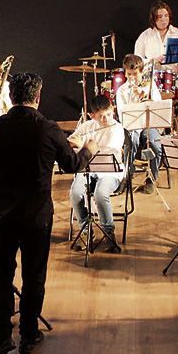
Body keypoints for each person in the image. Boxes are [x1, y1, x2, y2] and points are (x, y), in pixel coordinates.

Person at [0, 71, 96, 354]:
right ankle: (28, 335)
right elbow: (71, 164)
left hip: (2, 215)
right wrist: (88, 150)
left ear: (11, 97)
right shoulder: (48, 128)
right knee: (34, 276)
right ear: (38, 97)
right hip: (36, 217)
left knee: (0, 276)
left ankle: (1, 337)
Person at [67, 95, 127, 253]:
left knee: (100, 194)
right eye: (101, 116)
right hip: (87, 169)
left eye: (108, 114)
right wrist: (75, 143)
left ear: (112, 109)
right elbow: (71, 141)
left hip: (110, 170)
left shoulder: (117, 128)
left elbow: (109, 151)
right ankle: (86, 231)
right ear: (92, 115)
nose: (106, 118)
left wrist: (86, 148)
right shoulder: (87, 126)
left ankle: (109, 233)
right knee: (75, 193)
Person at [134, 0, 178, 125]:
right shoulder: (145, 36)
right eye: (160, 17)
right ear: (154, 19)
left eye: (166, 16)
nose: (164, 19)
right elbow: (136, 60)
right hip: (152, 76)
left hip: (175, 74)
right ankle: (151, 126)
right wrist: (152, 60)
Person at [114, 53, 163, 194]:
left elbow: (159, 108)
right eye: (129, 74)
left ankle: (152, 177)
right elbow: (123, 117)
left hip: (149, 124)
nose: (132, 78)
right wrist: (133, 99)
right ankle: (126, 176)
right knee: (132, 142)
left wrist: (145, 98)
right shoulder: (122, 91)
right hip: (132, 126)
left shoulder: (150, 86)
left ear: (141, 72)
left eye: (135, 74)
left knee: (155, 144)